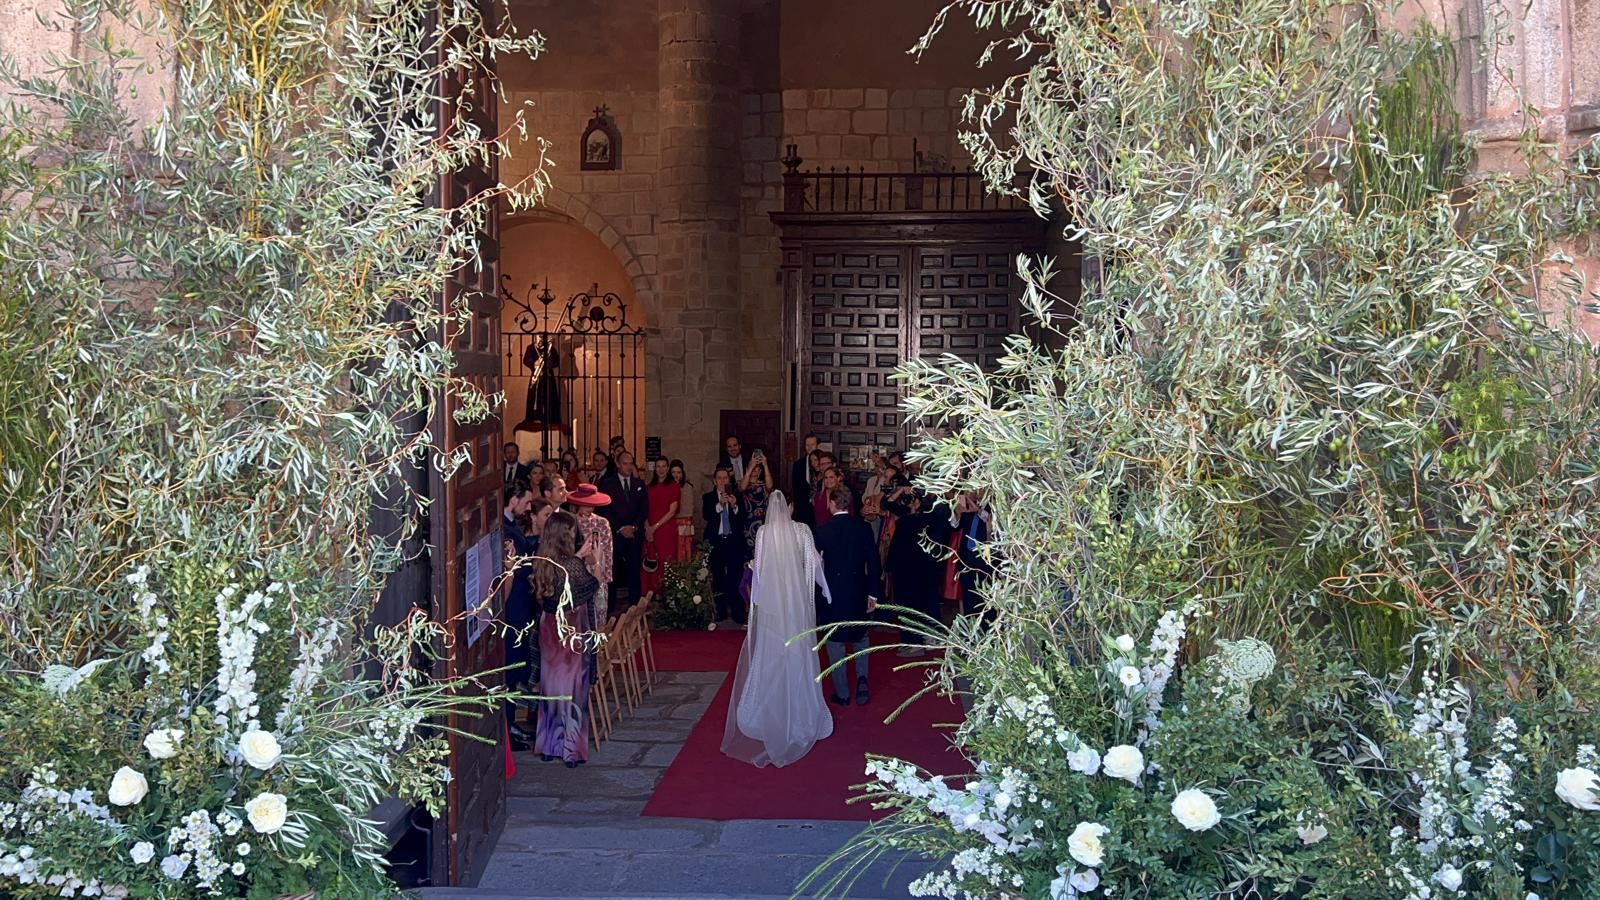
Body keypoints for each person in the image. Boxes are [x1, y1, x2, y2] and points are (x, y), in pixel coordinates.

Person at [721, 491, 834, 768]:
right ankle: (799, 709)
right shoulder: (802, 530)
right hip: (795, 605)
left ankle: (769, 708)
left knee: (771, 653)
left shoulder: (763, 533)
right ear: (790, 507)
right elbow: (815, 563)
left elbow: (758, 570)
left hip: (773, 605)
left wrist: (757, 600)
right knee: (797, 650)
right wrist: (824, 588)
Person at [532, 511, 597, 767]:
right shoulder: (570, 564)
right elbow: (590, 587)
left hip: (548, 625)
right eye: (571, 530)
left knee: (551, 684)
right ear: (564, 534)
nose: (575, 534)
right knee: (573, 686)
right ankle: (571, 748)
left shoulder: (541, 559)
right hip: (570, 625)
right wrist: (587, 559)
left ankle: (549, 745)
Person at [815, 484, 882, 706]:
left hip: (833, 592)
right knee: (861, 636)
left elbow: (816, 566)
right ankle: (862, 678)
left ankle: (842, 693)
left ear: (832, 503)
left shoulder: (822, 530)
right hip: (858, 589)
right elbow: (874, 563)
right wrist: (873, 593)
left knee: (835, 640)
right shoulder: (863, 528)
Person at [886, 491, 954, 656]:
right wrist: (901, 492)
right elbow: (887, 504)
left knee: (914, 604)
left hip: (916, 568)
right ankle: (909, 639)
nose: (911, 501)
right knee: (904, 604)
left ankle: (916, 642)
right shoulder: (909, 517)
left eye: (915, 499)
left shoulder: (929, 518)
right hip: (903, 568)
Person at [501, 485, 540, 749]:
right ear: (513, 500)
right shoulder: (505, 531)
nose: (528, 507)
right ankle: (507, 728)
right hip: (512, 609)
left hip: (521, 607)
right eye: (526, 502)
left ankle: (511, 723)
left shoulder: (513, 526)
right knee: (511, 669)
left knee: (517, 670)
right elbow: (518, 566)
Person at [598, 451, 648, 610]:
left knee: (634, 571)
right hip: (616, 534)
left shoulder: (639, 484)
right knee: (613, 570)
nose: (628, 467)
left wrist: (634, 527)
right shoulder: (607, 484)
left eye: (631, 463)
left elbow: (644, 509)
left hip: (634, 534)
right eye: (625, 463)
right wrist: (620, 528)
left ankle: (635, 607)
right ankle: (610, 608)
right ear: (618, 464)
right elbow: (604, 509)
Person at [703, 467, 747, 625]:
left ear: (729, 480)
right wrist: (719, 505)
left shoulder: (737, 496)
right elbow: (706, 515)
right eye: (719, 478)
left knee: (735, 577)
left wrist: (734, 506)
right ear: (715, 481)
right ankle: (720, 611)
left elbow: (743, 517)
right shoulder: (708, 497)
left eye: (725, 478)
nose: (722, 481)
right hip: (717, 542)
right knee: (718, 578)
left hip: (734, 542)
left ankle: (737, 612)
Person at [566, 483, 613, 629]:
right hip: (575, 575)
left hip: (597, 571)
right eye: (586, 504)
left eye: (592, 504)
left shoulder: (602, 523)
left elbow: (608, 552)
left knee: (598, 615)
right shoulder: (569, 522)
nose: (590, 507)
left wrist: (604, 578)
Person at [642, 457, 682, 597]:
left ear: (668, 468)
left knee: (666, 560)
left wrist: (655, 527)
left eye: (664, 466)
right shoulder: (648, 487)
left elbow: (672, 511)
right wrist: (647, 527)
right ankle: (651, 593)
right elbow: (644, 509)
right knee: (650, 559)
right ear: (655, 468)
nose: (661, 469)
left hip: (666, 529)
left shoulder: (673, 486)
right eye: (658, 466)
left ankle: (666, 593)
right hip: (650, 528)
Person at [955, 491, 995, 617]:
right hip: (966, 559)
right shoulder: (969, 511)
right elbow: (955, 526)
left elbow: (986, 518)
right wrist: (957, 513)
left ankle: (986, 623)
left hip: (983, 560)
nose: (976, 493)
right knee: (968, 594)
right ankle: (970, 622)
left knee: (983, 595)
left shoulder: (992, 508)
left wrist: (973, 505)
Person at [739, 449, 775, 555]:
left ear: (760, 472)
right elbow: (742, 488)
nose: (754, 470)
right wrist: (751, 467)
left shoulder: (764, 485)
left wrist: (765, 464)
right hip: (746, 523)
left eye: (756, 469)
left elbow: (770, 486)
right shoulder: (742, 483)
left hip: (763, 523)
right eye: (752, 468)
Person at [790, 434, 820, 528]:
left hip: (819, 508)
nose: (810, 447)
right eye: (807, 445)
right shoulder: (798, 464)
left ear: (817, 445)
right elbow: (795, 488)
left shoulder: (822, 463)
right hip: (802, 509)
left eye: (812, 444)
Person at [669, 459, 695, 561]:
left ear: (682, 473)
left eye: (678, 472)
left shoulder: (687, 487)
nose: (676, 475)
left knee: (683, 550)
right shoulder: (666, 487)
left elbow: (690, 508)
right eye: (673, 472)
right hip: (669, 522)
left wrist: (688, 524)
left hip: (683, 523)